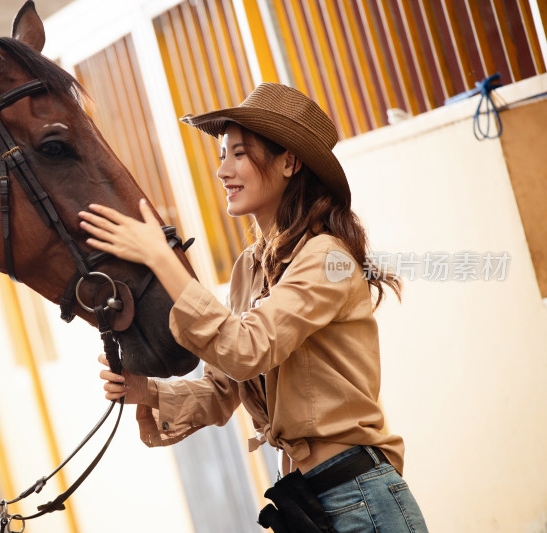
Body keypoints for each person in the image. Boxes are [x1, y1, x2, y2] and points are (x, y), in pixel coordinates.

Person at [78, 83, 428, 532]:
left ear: (289, 161)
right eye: (222, 154)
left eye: (239, 154)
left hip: (358, 499)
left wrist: (161, 258)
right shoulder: (249, 268)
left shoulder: (327, 258)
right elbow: (226, 386)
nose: (222, 171)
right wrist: (143, 391)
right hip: (306, 505)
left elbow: (248, 349)